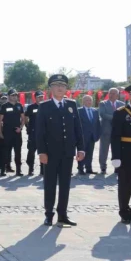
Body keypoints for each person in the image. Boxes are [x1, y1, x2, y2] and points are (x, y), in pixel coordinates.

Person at [36, 74, 84, 227]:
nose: (60, 88)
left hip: (67, 152)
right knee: (50, 184)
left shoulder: (71, 104)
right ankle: (49, 214)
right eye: (56, 85)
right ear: (50, 88)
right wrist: (42, 152)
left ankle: (62, 214)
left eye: (62, 86)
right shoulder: (44, 106)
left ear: (66, 89)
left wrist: (81, 148)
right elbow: (40, 132)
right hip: (50, 153)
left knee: (65, 184)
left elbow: (78, 129)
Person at [110, 83, 131, 223]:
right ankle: (124, 212)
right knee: (125, 185)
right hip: (127, 155)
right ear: (130, 96)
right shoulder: (121, 113)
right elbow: (115, 136)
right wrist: (116, 157)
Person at [0, 89, 25, 176]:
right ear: (9, 96)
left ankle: (18, 170)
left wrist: (20, 128)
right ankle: (3, 169)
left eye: (15, 95)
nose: (14, 97)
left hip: (17, 132)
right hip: (7, 132)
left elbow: (23, 118)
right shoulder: (4, 106)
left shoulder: (19, 105)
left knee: (18, 152)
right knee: (5, 152)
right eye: (12, 95)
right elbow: (0, 120)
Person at [99, 88, 124, 174]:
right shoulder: (103, 104)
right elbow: (103, 114)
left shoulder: (122, 104)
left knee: (117, 150)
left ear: (117, 95)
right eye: (110, 93)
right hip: (106, 131)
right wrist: (116, 118)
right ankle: (103, 167)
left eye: (113, 93)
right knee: (104, 150)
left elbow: (124, 116)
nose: (111, 95)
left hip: (118, 132)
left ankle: (117, 167)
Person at [78, 95, 101, 175]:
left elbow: (98, 124)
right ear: (83, 102)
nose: (89, 102)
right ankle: (80, 168)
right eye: (87, 100)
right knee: (82, 152)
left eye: (90, 100)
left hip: (92, 136)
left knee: (90, 153)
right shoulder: (79, 111)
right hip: (83, 136)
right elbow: (77, 124)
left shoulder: (95, 111)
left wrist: (98, 134)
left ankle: (89, 168)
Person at [25, 91, 43, 176]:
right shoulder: (31, 107)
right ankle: (31, 169)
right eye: (39, 97)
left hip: (44, 133)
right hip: (33, 133)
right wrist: (28, 126)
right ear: (35, 98)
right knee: (31, 151)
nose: (41, 98)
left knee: (43, 151)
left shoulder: (46, 106)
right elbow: (26, 117)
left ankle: (43, 169)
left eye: (42, 96)